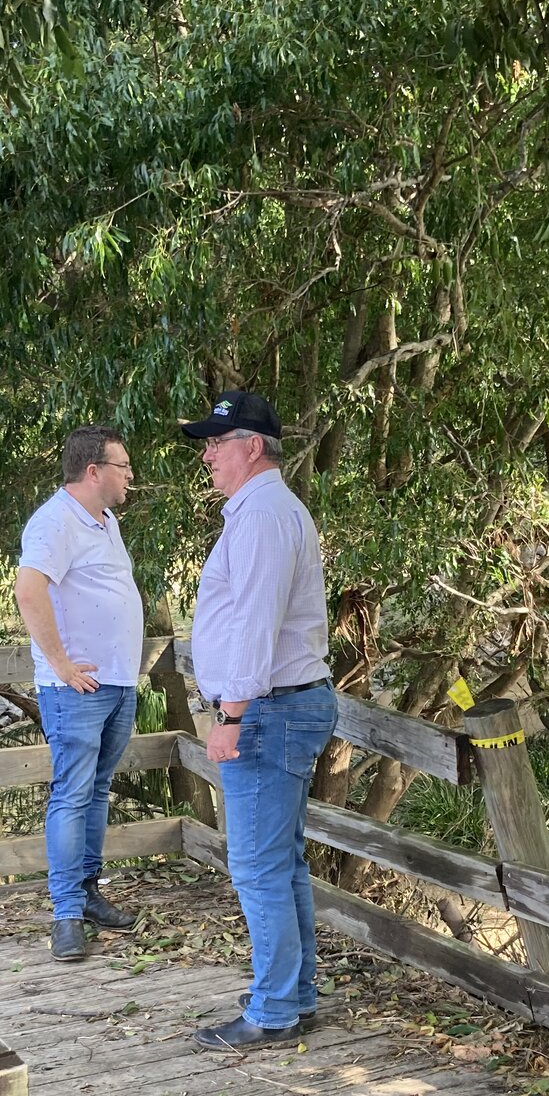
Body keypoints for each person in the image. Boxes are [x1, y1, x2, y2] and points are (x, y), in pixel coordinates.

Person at [181, 391, 337, 1049]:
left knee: (257, 867)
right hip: (278, 708)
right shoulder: (262, 512)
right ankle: (294, 997)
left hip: (267, 711)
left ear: (251, 445)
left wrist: (230, 714)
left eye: (216, 442)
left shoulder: (265, 516)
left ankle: (273, 1010)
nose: (208, 456)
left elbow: (254, 625)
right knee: (282, 862)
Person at [15, 425, 145, 961]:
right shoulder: (54, 522)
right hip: (79, 690)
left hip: (116, 681)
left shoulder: (105, 521)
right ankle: (66, 914)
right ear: (93, 471)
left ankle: (90, 895)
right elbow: (28, 590)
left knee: (95, 791)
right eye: (123, 467)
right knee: (71, 795)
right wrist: (62, 664)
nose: (130, 477)